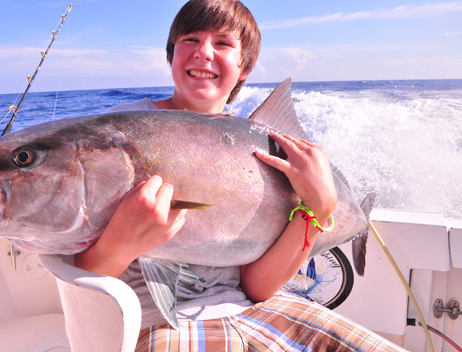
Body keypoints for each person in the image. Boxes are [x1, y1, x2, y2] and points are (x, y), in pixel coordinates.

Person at [75, 1, 408, 350]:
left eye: (222, 43)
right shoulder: (119, 129)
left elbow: (257, 289)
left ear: (243, 66)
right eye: (190, 39)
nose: (204, 52)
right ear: (171, 54)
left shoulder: (269, 143)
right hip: (160, 321)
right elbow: (83, 275)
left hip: (261, 309)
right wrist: (120, 243)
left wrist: (321, 207)